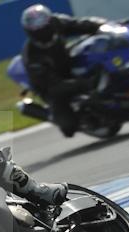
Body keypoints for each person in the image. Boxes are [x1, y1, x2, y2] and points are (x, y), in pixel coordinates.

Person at [20, 4, 106, 137]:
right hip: (52, 88)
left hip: (68, 64)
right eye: (37, 27)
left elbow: (80, 24)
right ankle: (52, 114)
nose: (42, 29)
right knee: (68, 126)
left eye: (44, 24)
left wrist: (104, 25)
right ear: (30, 31)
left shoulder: (56, 22)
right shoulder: (32, 56)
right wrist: (83, 84)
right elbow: (53, 86)